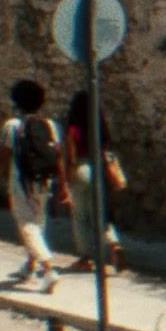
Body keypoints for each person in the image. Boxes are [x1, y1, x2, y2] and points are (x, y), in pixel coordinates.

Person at [0, 80, 66, 292]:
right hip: (44, 181)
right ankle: (30, 267)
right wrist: (63, 186)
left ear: (17, 102)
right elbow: (58, 157)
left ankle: (49, 270)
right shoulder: (49, 125)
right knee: (38, 224)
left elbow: (2, 156)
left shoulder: (12, 126)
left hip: (21, 183)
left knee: (27, 225)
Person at [62, 90, 126, 274]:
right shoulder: (100, 127)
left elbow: (71, 157)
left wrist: (65, 181)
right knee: (100, 212)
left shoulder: (73, 128)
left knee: (81, 216)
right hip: (99, 169)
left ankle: (85, 259)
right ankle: (114, 245)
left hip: (81, 169)